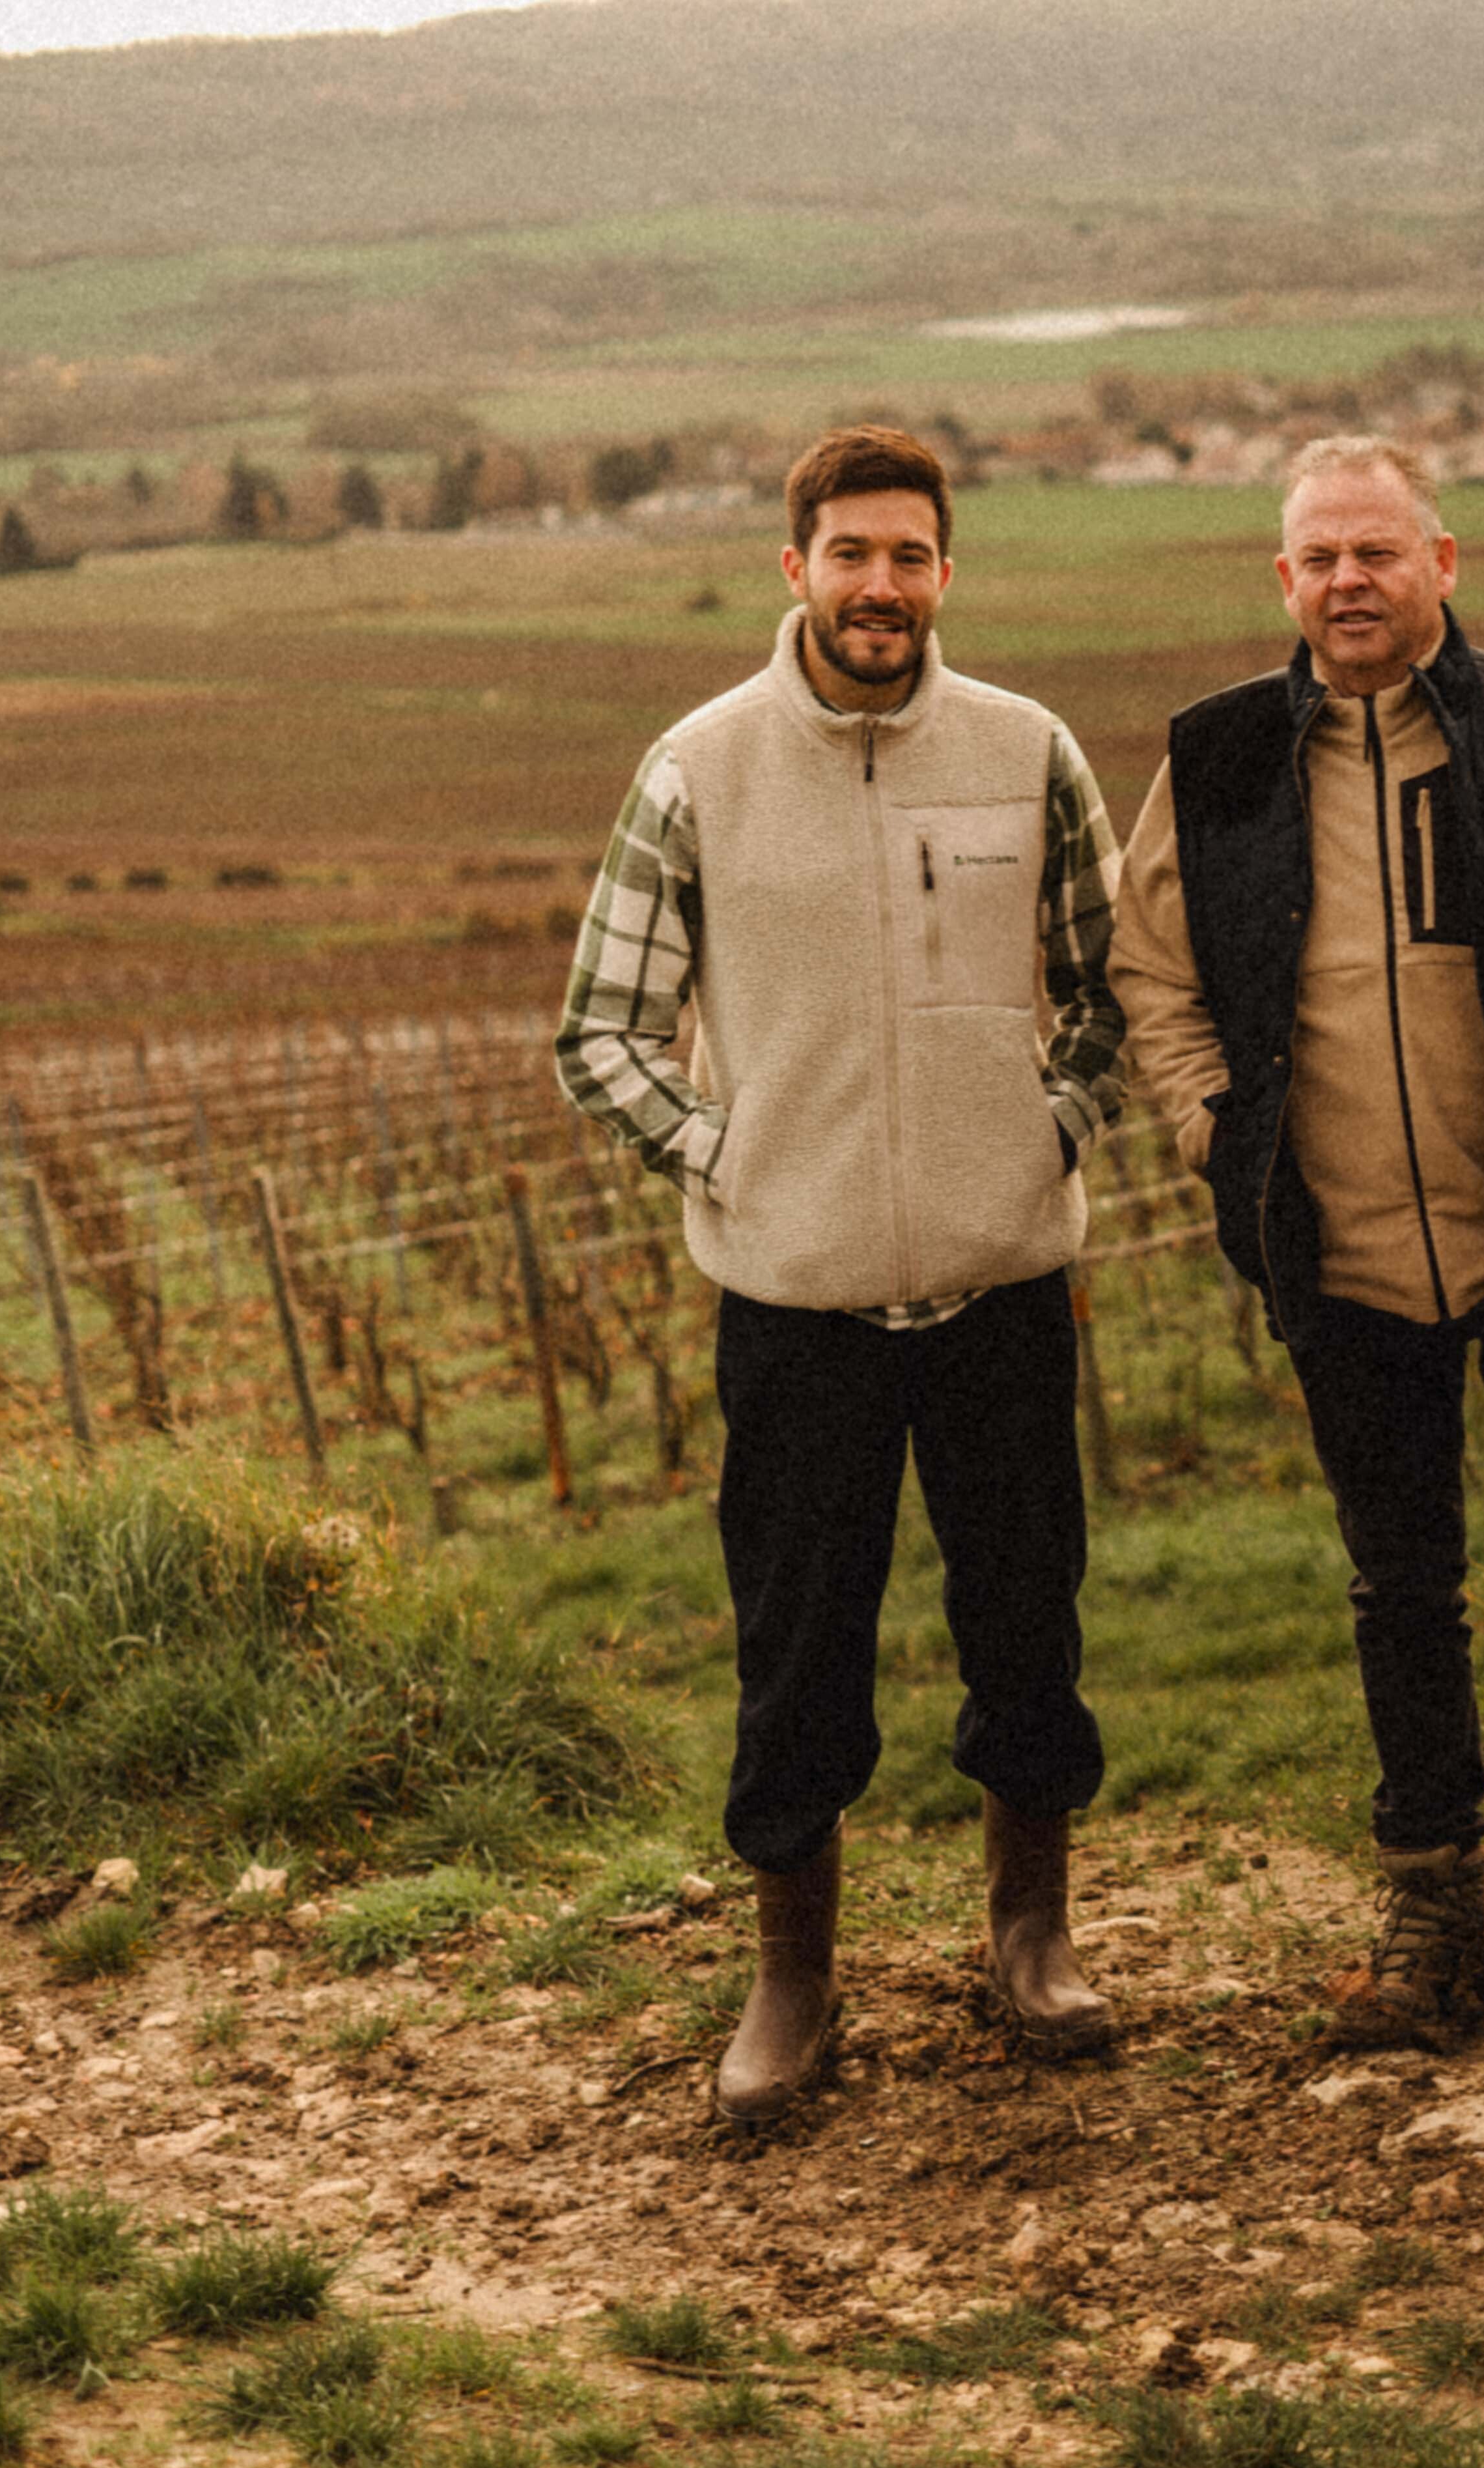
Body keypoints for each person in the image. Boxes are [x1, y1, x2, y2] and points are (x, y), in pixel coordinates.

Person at [1110, 434, 1484, 2050]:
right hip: (1338, 1240)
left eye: (1377, 552)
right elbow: (1152, 968)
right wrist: (1212, 1127)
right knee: (1402, 1585)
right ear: (1284, 580)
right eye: (1319, 559)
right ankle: (1432, 1903)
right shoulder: (1219, 756)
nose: (1349, 583)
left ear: (1442, 563)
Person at [556, 424, 1128, 2124]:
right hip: (795, 1303)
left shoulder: (1028, 751)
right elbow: (601, 1030)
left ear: (947, 573)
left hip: (1001, 1286)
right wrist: (731, 1155)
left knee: (1026, 1618)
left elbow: (1116, 988)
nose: (882, 584)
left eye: (911, 556)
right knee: (798, 1645)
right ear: (795, 567)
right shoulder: (699, 768)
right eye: (852, 554)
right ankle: (792, 1979)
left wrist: (1046, 1130)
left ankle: (1032, 1934)